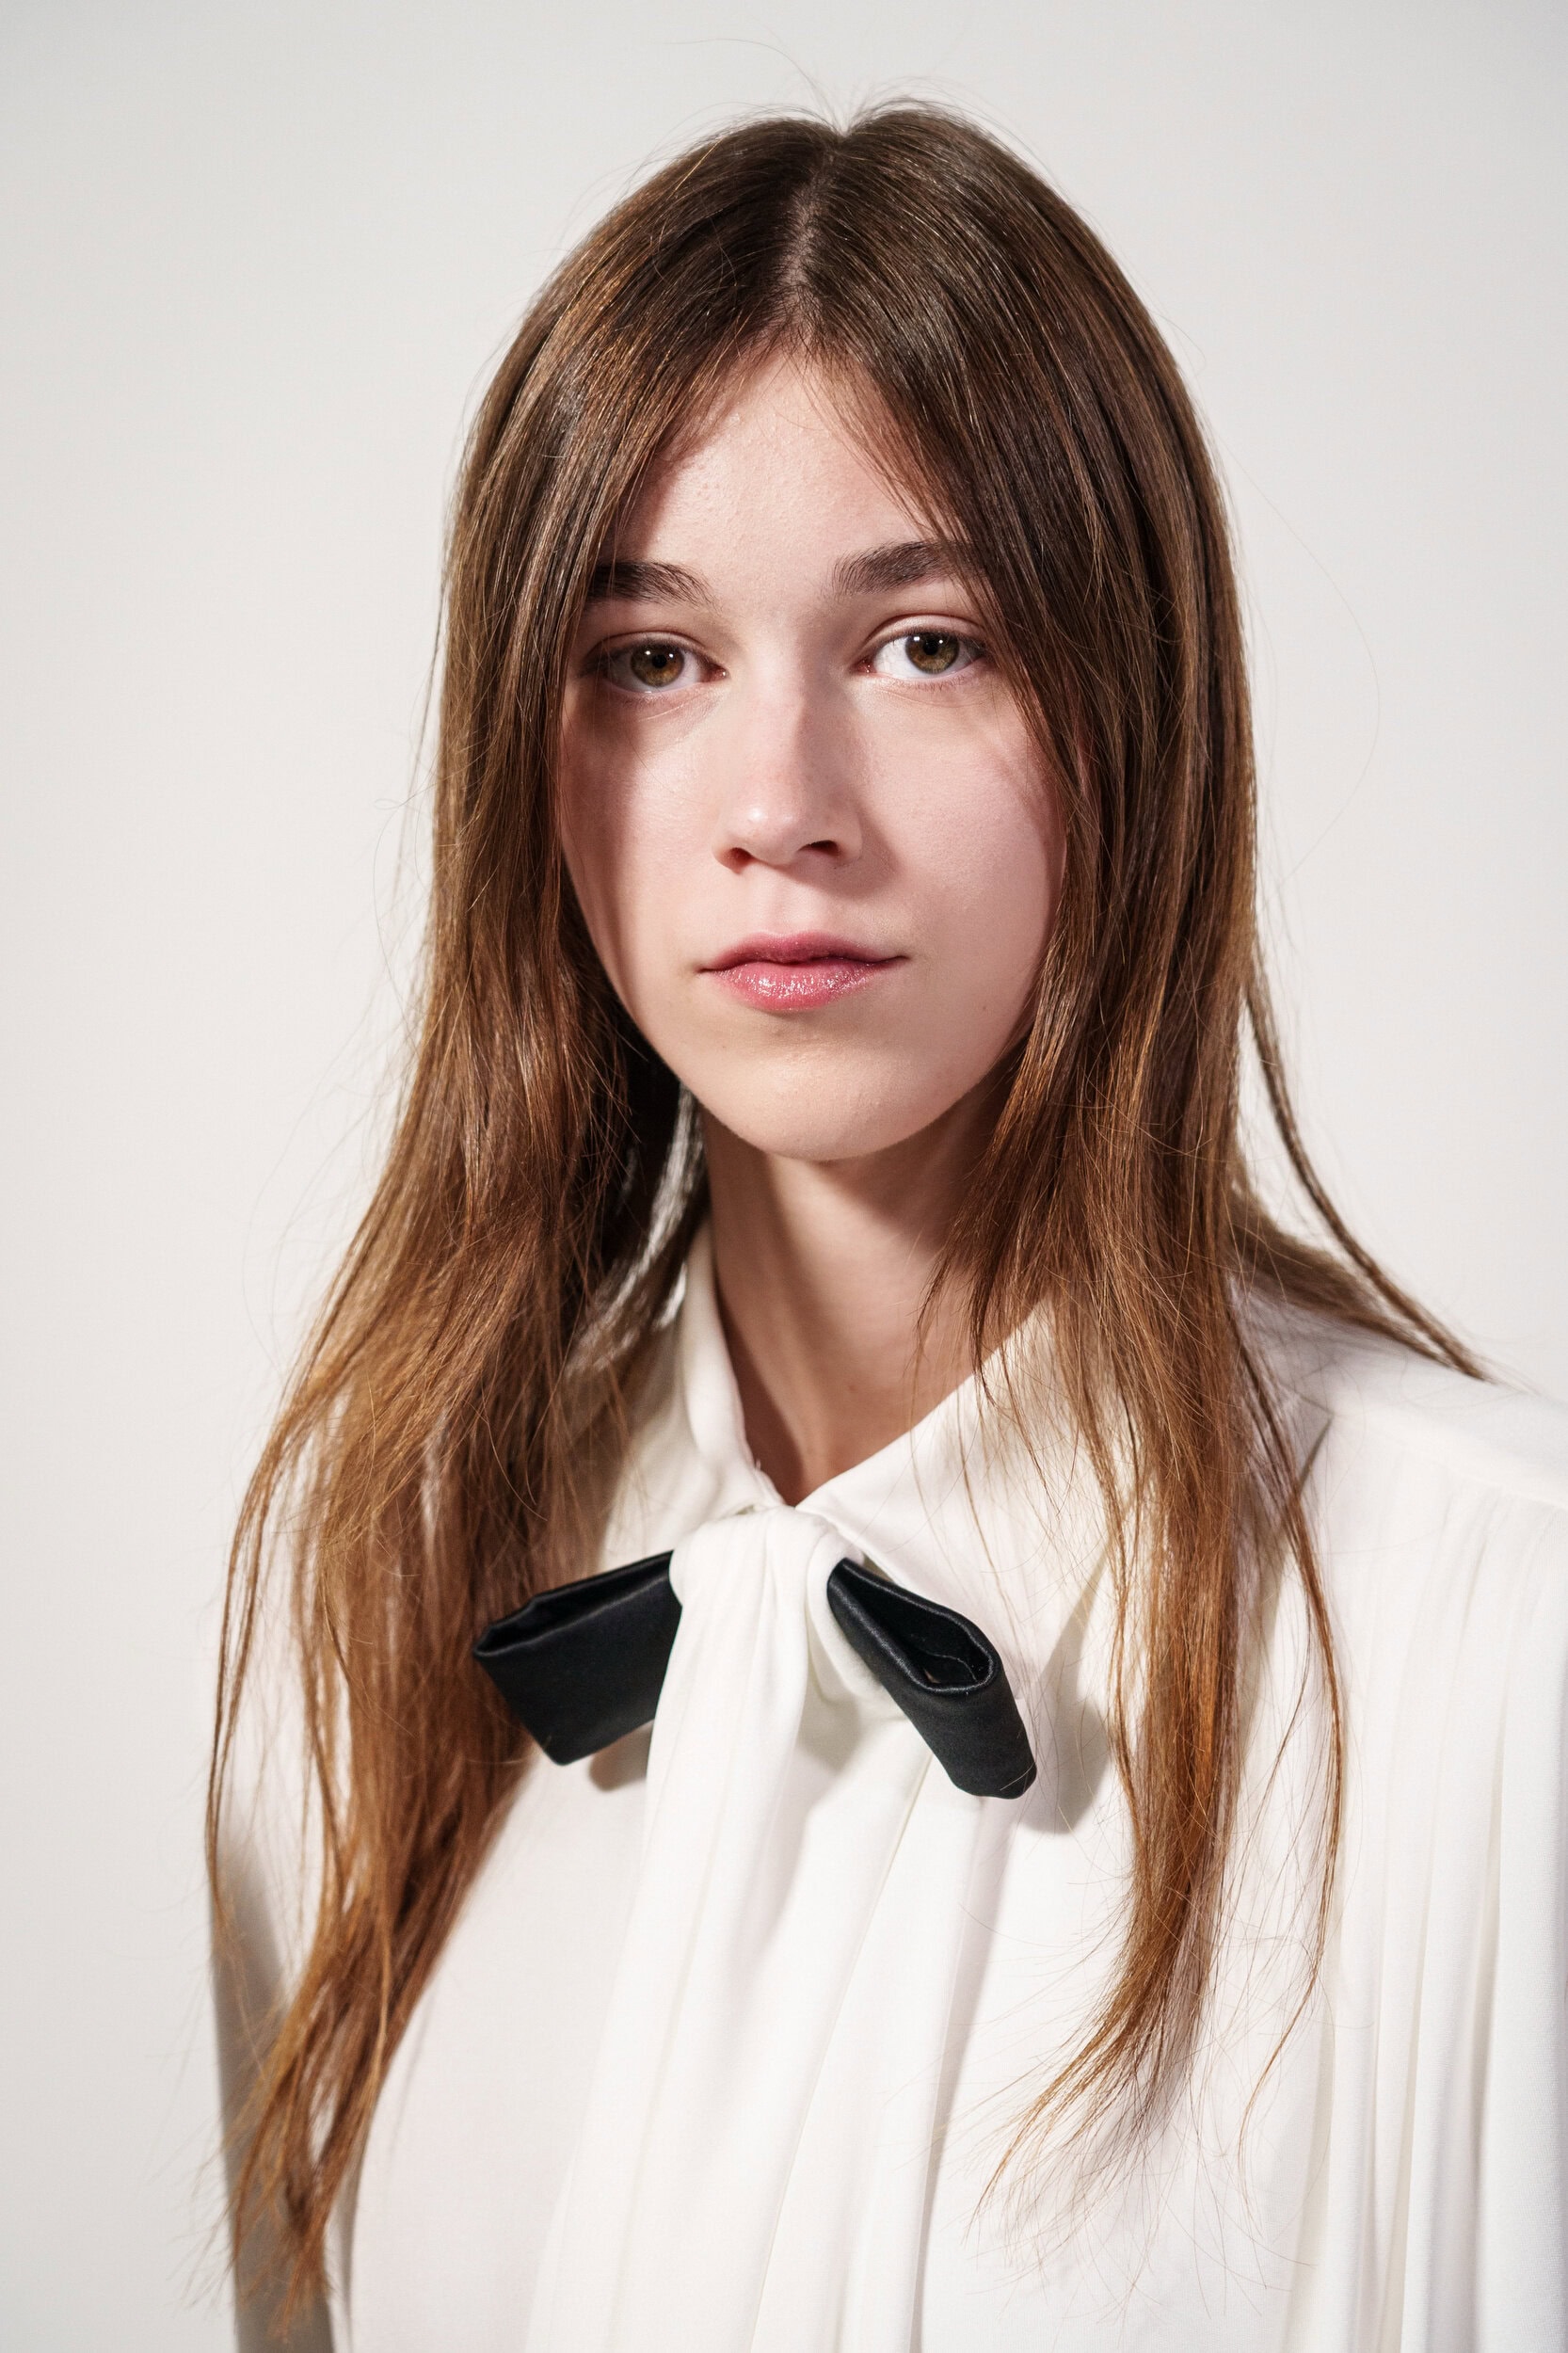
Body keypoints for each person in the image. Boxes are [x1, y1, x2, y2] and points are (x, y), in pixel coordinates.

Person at [209, 105, 1568, 2351]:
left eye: (927, 642)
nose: (779, 808)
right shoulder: (362, 1614)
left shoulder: (1499, 1637)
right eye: (650, 657)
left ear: (1129, 715)